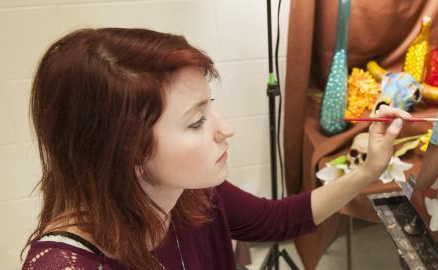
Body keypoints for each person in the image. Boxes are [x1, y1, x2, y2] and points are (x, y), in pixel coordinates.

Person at [21, 28, 410, 269]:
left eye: (210, 108)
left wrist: (367, 170)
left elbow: (277, 220)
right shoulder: (65, 265)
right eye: (196, 121)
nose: (225, 130)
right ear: (128, 152)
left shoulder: (192, 196)